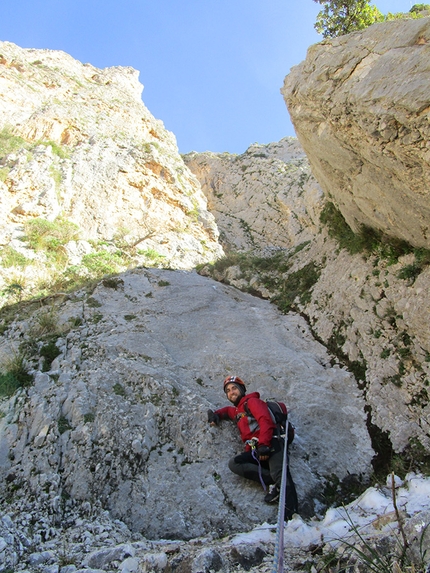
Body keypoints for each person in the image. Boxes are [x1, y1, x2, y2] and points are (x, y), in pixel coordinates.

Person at [207, 375, 298, 520]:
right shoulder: (237, 412)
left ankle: (292, 516)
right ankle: (273, 482)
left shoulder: (252, 402)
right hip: (257, 449)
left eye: (234, 388)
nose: (231, 392)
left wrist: (264, 445)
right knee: (235, 463)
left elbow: (265, 420)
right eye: (228, 390)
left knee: (281, 474)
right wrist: (215, 415)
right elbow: (226, 411)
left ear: (242, 389)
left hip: (272, 442)